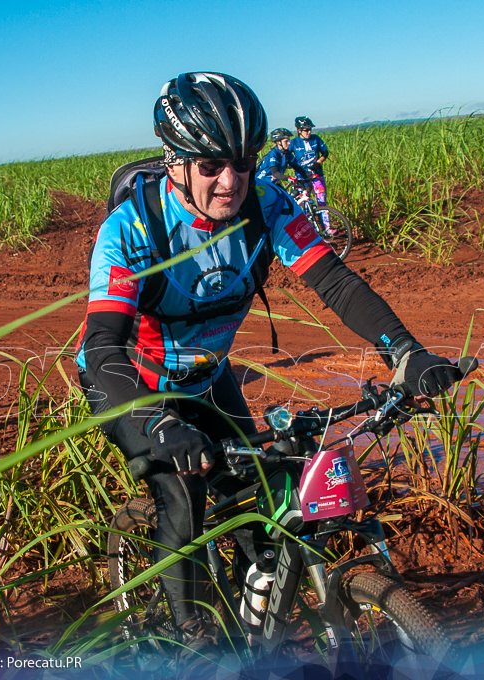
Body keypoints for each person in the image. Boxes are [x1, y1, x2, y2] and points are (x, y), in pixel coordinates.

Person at [76, 72, 462, 649]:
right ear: (175, 161)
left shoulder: (266, 203)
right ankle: (190, 639)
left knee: (256, 493)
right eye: (211, 166)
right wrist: (157, 423)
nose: (230, 181)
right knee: (183, 494)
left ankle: (256, 608)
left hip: (209, 375)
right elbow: (103, 344)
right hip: (134, 383)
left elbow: (335, 282)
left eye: (244, 162)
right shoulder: (132, 228)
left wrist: (404, 351)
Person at [288, 116, 331, 226]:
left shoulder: (315, 139)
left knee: (322, 201)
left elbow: (325, 152)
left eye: (310, 129)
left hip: (317, 175)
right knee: (306, 204)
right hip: (302, 177)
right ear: (299, 130)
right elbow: (286, 155)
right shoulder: (294, 143)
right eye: (306, 130)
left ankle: (327, 228)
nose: (309, 132)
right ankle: (310, 229)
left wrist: (319, 162)